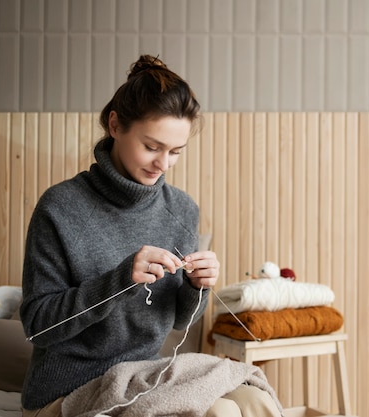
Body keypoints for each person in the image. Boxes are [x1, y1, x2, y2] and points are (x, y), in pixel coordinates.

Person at [20, 55, 282, 417]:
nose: (163, 164)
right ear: (115, 125)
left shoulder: (182, 209)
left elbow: (179, 321)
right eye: (152, 146)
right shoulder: (60, 207)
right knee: (220, 413)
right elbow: (37, 327)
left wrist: (197, 287)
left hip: (142, 377)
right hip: (67, 389)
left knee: (255, 401)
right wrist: (119, 279)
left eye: (175, 152)